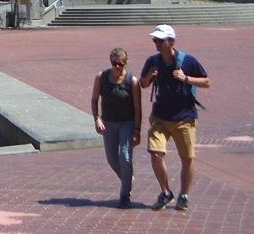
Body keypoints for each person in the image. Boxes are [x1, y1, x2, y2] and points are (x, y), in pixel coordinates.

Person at [139, 24, 211, 212]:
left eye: (160, 40)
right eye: (154, 40)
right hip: (160, 117)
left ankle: (184, 195)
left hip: (184, 118)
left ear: (171, 41)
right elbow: (143, 84)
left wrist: (186, 78)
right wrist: (149, 76)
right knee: (155, 154)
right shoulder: (152, 61)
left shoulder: (188, 61)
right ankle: (165, 192)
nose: (156, 43)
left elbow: (206, 81)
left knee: (186, 158)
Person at [90, 46, 141, 208]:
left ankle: (125, 195)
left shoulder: (132, 81)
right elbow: (94, 99)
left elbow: (138, 108)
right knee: (112, 159)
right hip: (109, 123)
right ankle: (128, 177)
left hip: (127, 122)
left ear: (126, 63)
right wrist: (97, 119)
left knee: (125, 156)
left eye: (121, 64)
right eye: (114, 63)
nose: (117, 67)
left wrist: (137, 130)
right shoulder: (101, 77)